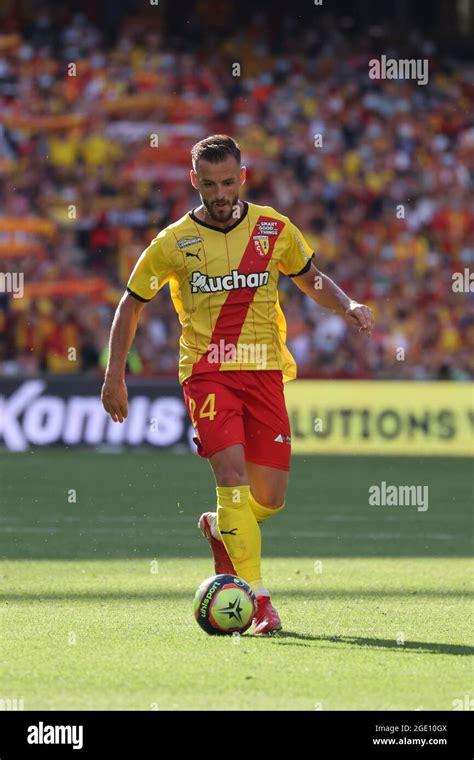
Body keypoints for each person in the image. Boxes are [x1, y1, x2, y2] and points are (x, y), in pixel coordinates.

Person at [101, 135, 374, 634]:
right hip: (207, 372)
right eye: (209, 184)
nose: (220, 193)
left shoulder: (273, 228)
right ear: (193, 180)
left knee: (269, 498)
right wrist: (114, 374)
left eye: (228, 182)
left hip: (264, 369)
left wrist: (349, 305)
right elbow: (132, 303)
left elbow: (311, 278)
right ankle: (260, 601)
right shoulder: (172, 242)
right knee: (231, 480)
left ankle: (219, 526)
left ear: (242, 177)